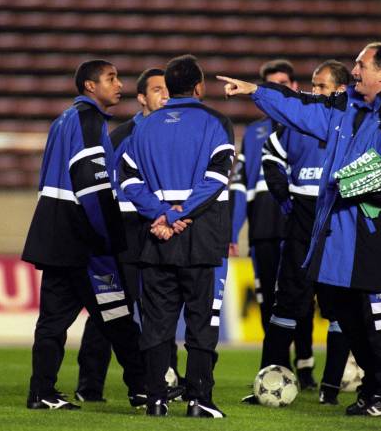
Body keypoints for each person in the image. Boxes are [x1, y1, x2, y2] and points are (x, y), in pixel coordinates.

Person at [219, 41, 381, 417]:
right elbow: (298, 105)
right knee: (341, 309)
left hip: (375, 235)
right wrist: (257, 91)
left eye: (361, 65)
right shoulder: (342, 107)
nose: (354, 69)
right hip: (335, 235)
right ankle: (373, 386)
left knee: (379, 316)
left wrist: (380, 187)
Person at [22, 60, 147, 410]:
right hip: (85, 241)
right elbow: (92, 189)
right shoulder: (89, 121)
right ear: (90, 87)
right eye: (111, 79)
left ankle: (41, 391)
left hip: (55, 236)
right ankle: (142, 389)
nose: (118, 84)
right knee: (118, 315)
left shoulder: (63, 120)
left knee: (53, 321)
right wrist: (109, 241)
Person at [120, 54, 232, 418]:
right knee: (202, 322)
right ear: (199, 86)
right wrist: (178, 213)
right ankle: (199, 400)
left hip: (156, 238)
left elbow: (129, 182)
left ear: (169, 87)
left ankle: (156, 399)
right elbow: (216, 180)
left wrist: (160, 214)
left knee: (156, 324)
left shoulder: (145, 126)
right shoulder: (217, 122)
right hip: (199, 235)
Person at [246, 60, 352, 406]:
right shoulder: (295, 122)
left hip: (337, 218)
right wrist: (284, 196)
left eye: (321, 86)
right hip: (302, 219)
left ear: (340, 90)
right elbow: (271, 158)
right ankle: (267, 380)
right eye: (313, 85)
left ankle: (331, 389)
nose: (315, 91)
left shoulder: (354, 120)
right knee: (287, 302)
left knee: (338, 307)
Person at [74, 68, 183, 403]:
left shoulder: (175, 134)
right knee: (113, 307)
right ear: (141, 98)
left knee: (160, 308)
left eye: (168, 90)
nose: (165, 96)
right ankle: (90, 384)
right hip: (127, 229)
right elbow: (106, 184)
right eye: (157, 90)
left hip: (159, 228)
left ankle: (165, 379)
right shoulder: (121, 135)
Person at [229, 59, 317, 390]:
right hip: (264, 226)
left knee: (302, 298)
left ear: (294, 88)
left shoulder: (309, 125)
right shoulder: (253, 135)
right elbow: (239, 185)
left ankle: (305, 365)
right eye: (271, 87)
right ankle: (276, 366)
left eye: (283, 84)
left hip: (298, 221)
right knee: (270, 300)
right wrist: (233, 230)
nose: (279, 90)